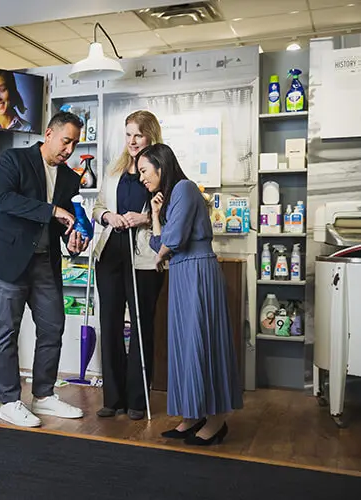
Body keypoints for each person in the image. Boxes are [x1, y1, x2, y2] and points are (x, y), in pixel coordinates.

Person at [0, 111, 89, 428]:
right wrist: (52, 210)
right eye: (66, 141)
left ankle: (43, 395)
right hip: (7, 261)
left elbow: (63, 225)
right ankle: (9, 402)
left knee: (53, 326)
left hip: (44, 263)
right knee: (6, 332)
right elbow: (6, 200)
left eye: (75, 144)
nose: (69, 150)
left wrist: (73, 241)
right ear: (49, 134)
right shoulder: (15, 159)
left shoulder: (68, 177)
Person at [137, 143, 243, 446]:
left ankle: (217, 419)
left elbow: (171, 241)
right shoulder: (170, 198)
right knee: (184, 344)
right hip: (183, 272)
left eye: (145, 171)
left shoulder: (184, 188)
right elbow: (160, 246)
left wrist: (163, 248)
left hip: (197, 271)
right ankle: (193, 415)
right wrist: (156, 214)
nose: (143, 177)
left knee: (202, 341)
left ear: (161, 166)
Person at [91, 110, 165, 421]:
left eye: (138, 135)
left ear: (151, 136)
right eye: (128, 134)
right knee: (108, 324)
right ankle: (113, 398)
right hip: (110, 252)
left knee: (141, 325)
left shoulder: (161, 170)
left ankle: (137, 399)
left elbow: (172, 210)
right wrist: (108, 216)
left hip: (144, 258)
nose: (132, 141)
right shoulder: (113, 171)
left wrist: (145, 218)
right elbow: (97, 207)